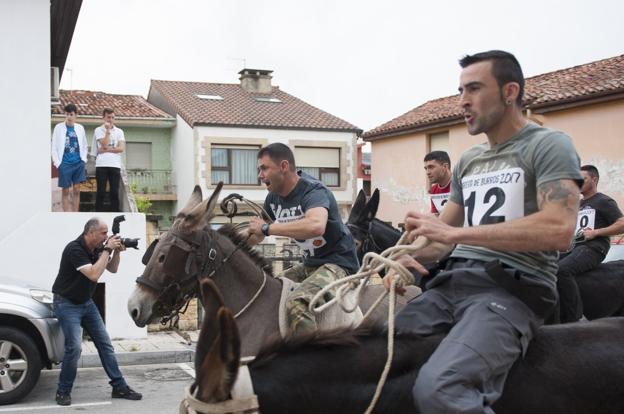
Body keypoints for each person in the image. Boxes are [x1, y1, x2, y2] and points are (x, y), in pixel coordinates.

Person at [383, 50, 582, 413]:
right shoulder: (469, 160)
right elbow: (441, 237)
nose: (462, 101)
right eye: (460, 90)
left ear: (510, 92)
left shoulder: (548, 145)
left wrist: (455, 237)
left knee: (439, 390)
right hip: (454, 285)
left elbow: (559, 229)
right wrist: (406, 258)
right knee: (377, 356)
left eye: (473, 89)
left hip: (513, 289)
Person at [247, 143, 359, 335]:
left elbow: (316, 225)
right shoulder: (273, 199)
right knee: (269, 291)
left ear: (283, 166)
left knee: (297, 303)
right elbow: (256, 235)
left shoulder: (313, 191)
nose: (260, 175)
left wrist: (267, 228)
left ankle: (309, 359)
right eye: (259, 169)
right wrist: (221, 242)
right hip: (311, 264)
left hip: (339, 264)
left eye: (264, 168)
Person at [52, 218, 142, 406]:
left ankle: (119, 387)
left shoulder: (98, 248)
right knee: (74, 348)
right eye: (103, 232)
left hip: (86, 303)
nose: (106, 236)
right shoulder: (74, 249)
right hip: (66, 303)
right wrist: (108, 249)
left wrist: (116, 252)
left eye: (107, 232)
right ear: (90, 233)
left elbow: (113, 269)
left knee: (105, 345)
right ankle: (63, 391)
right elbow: (93, 274)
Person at [556, 164, 624, 323]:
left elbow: (621, 223)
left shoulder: (603, 201)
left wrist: (595, 233)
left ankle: (575, 316)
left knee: (562, 270)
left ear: (594, 179)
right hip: (573, 248)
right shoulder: (577, 205)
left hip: (592, 248)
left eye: (583, 179)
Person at [51, 103, 88, 212]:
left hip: (78, 163)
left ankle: (75, 213)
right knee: (65, 190)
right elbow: (53, 147)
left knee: (77, 189)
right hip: (65, 164)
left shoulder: (80, 128)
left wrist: (83, 159)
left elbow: (85, 145)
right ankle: (66, 214)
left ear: (75, 115)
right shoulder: (59, 128)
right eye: (67, 114)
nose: (69, 117)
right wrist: (58, 163)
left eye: (71, 114)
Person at [92, 108, 125, 212]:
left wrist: (105, 150)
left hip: (115, 165)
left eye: (112, 117)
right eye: (108, 117)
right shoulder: (98, 130)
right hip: (101, 165)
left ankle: (114, 213)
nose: (110, 120)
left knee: (114, 191)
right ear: (103, 117)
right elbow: (104, 143)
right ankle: (98, 213)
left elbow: (121, 148)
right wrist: (107, 131)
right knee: (101, 191)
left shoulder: (119, 131)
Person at [424, 151, 451, 215]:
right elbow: (435, 215)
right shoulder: (433, 189)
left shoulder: (460, 184)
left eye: (431, 167)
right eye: (426, 168)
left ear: (445, 167)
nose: (427, 172)